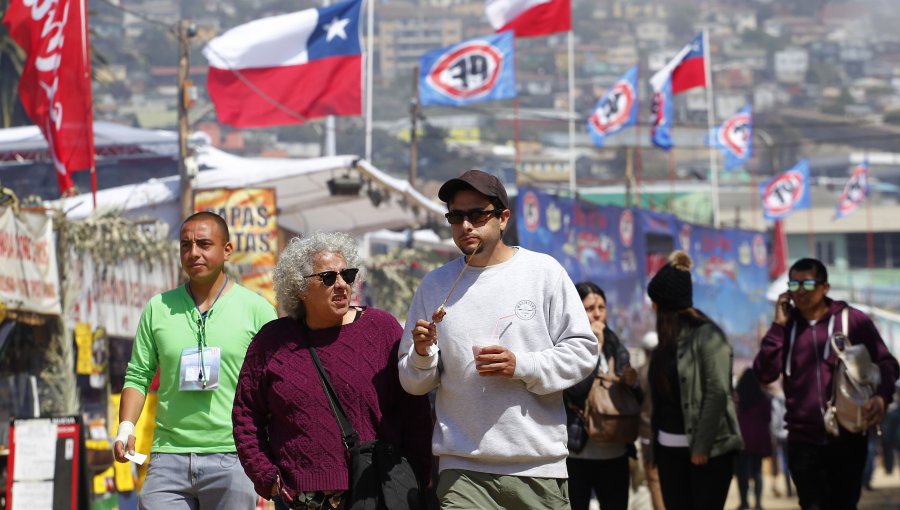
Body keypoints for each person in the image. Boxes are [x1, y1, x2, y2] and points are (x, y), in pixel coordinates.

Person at [399, 169, 598, 509]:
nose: (466, 226)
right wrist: (421, 354)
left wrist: (521, 365)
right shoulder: (435, 285)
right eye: (456, 216)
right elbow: (413, 383)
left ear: (503, 218)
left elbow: (583, 351)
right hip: (462, 466)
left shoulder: (543, 273)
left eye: (477, 215)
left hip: (538, 465)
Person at [232, 232, 432, 509]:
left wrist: (419, 473)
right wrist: (268, 476)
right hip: (302, 497)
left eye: (346, 275)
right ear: (300, 288)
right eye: (328, 278)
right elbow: (246, 415)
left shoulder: (381, 328)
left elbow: (415, 409)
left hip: (378, 489)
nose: (341, 285)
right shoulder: (271, 341)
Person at [113, 211, 277, 509]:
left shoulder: (257, 310)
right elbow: (138, 375)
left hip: (235, 456)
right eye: (185, 245)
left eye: (204, 244)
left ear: (227, 250)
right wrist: (126, 426)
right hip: (168, 457)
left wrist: (266, 462)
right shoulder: (158, 309)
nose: (193, 253)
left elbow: (276, 388)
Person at [753, 257, 900, 510]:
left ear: (825, 288)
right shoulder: (785, 329)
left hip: (848, 437)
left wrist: (882, 397)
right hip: (802, 441)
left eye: (808, 284)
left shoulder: (853, 321)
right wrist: (777, 327)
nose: (800, 291)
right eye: (794, 285)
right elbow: (765, 374)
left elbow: (888, 364)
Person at [644, 250, 743, 510]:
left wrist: (702, 444)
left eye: (654, 302)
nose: (652, 308)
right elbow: (659, 402)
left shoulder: (708, 336)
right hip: (668, 453)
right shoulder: (661, 346)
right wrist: (654, 448)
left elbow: (718, 391)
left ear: (663, 305)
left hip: (706, 455)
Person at [563, 282, 639, 510]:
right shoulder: (566, 345)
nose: (597, 313)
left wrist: (632, 384)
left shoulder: (615, 345)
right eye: (589, 308)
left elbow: (636, 400)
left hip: (615, 453)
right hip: (579, 455)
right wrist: (593, 350)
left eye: (601, 307)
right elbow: (576, 392)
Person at [734, 368, 772, 510]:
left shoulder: (739, 397)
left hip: (742, 437)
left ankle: (744, 503)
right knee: (757, 471)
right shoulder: (763, 397)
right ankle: (757, 504)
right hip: (759, 439)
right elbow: (768, 417)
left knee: (741, 473)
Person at [637, 331, 665, 510]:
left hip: (647, 435)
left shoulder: (641, 373)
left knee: (655, 482)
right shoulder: (667, 370)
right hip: (667, 434)